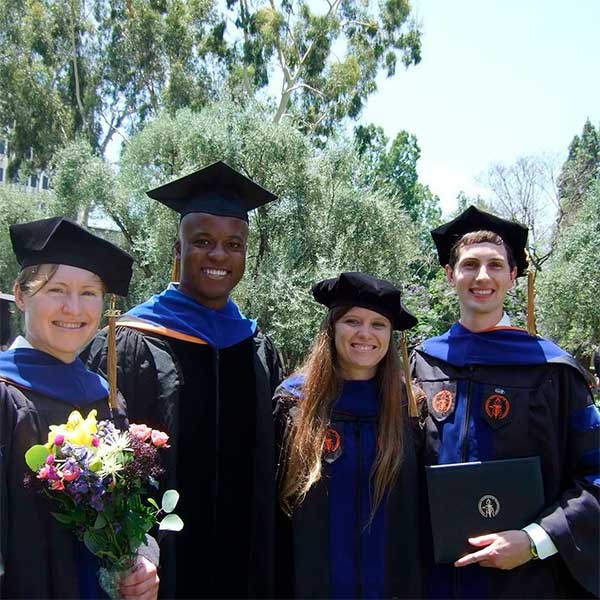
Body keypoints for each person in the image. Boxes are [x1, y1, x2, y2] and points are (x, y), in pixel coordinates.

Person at [84, 161, 284, 598]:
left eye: (234, 244)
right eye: (203, 242)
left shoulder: (256, 349)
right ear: (177, 249)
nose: (219, 255)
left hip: (244, 570)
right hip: (155, 573)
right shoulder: (129, 343)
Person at [412, 205, 600, 598]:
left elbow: (595, 475)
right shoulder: (423, 364)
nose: (483, 277)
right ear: (450, 275)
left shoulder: (552, 370)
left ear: (513, 277)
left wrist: (536, 539)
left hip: (526, 582)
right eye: (469, 265)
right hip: (434, 578)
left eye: (496, 265)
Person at [0, 217, 159, 599]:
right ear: (20, 295)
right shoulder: (5, 396)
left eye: (89, 292)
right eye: (56, 289)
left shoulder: (105, 397)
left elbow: (128, 516)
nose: (74, 308)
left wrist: (143, 560)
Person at [273, 272, 424, 599]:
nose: (365, 334)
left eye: (378, 324)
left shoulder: (409, 408)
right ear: (332, 328)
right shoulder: (293, 404)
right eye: (352, 321)